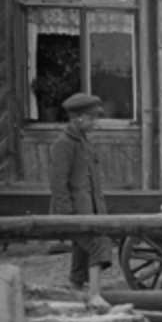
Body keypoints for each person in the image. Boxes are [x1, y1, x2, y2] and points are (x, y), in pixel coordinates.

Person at [48, 92, 113, 310]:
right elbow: (58, 183)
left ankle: (76, 288)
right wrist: (67, 215)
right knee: (98, 243)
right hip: (74, 212)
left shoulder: (85, 142)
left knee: (82, 248)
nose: (95, 123)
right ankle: (94, 295)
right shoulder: (63, 144)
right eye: (91, 118)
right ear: (77, 118)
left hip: (90, 210)